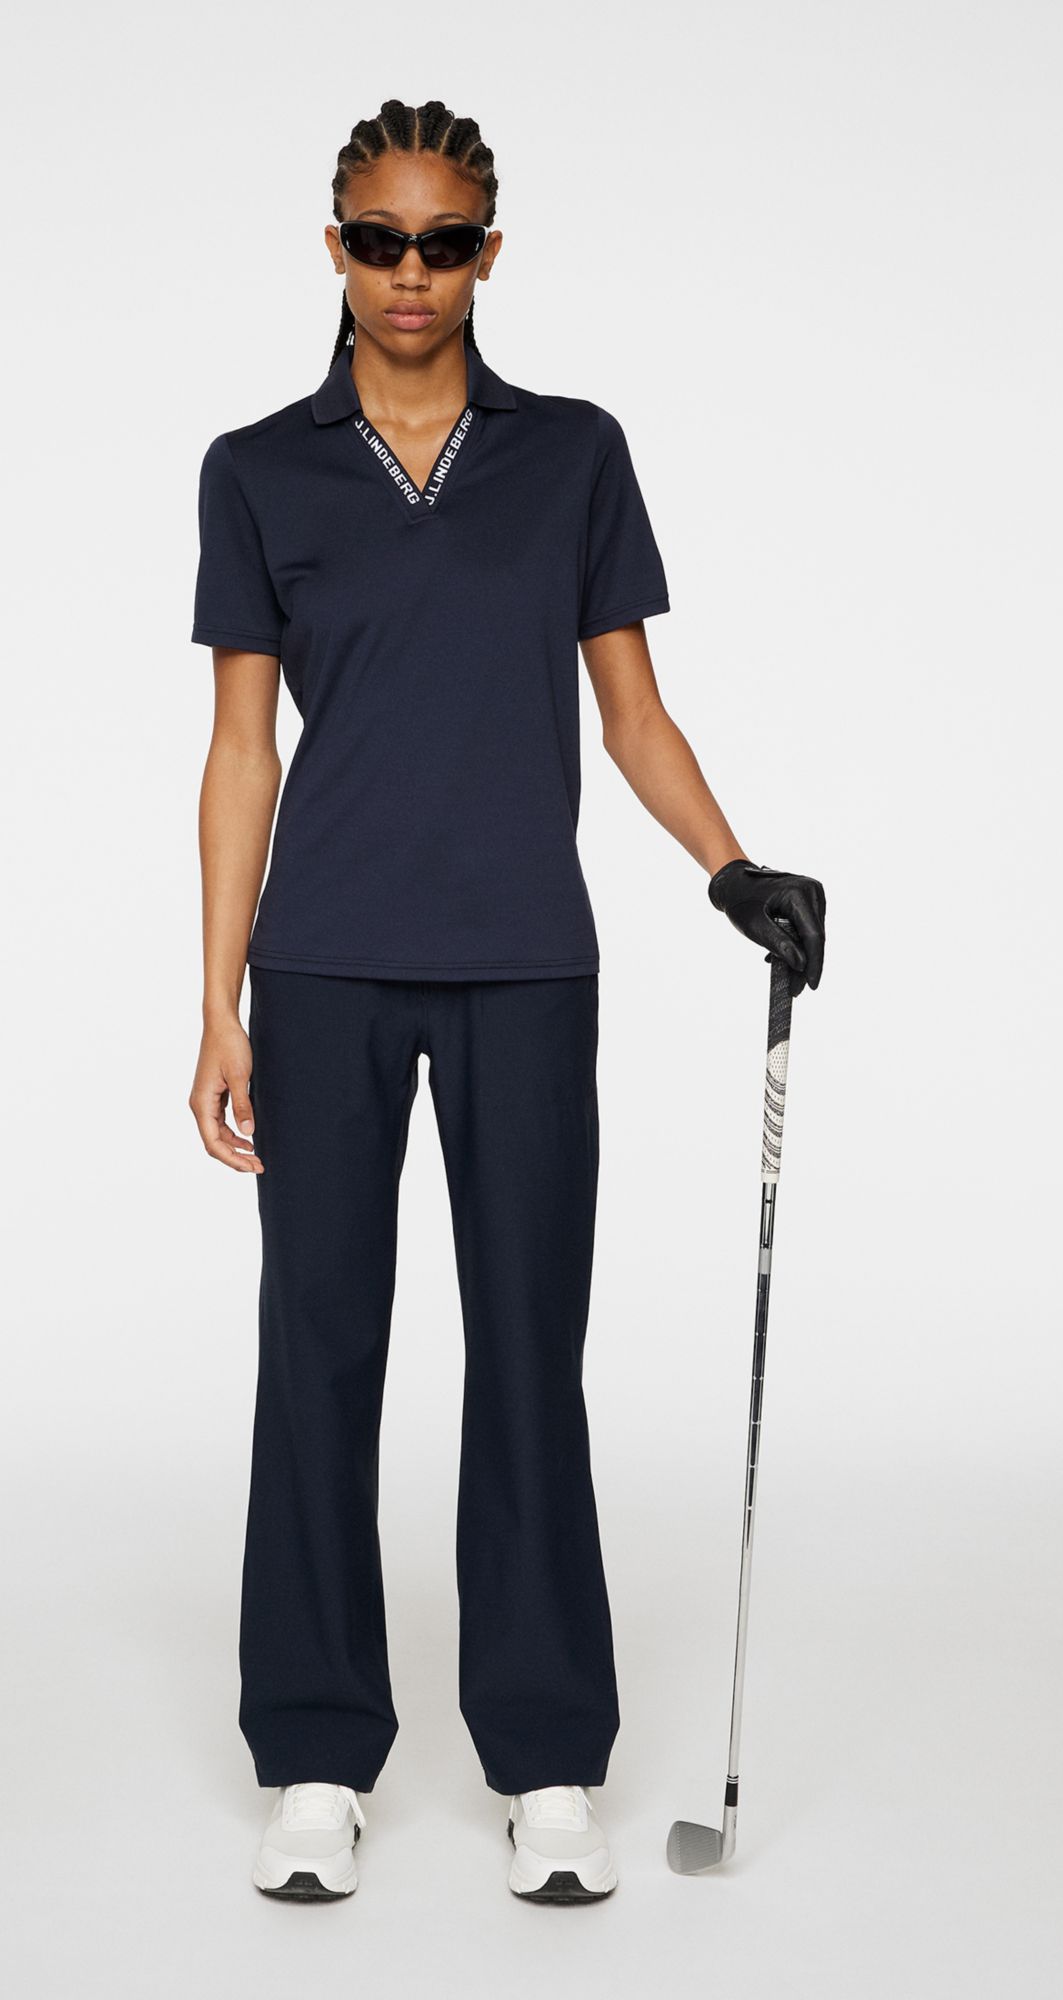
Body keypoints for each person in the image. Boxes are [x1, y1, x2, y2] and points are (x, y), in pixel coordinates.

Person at [189, 97, 826, 1904]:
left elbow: (631, 712)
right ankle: (316, 1752)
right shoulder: (257, 468)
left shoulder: (571, 453)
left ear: (488, 250)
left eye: (444, 240)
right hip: (321, 964)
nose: (411, 272)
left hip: (527, 963)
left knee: (528, 1355)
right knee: (318, 1353)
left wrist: (731, 868)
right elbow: (240, 751)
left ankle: (547, 1757)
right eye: (379, 240)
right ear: (334, 248)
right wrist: (219, 1001)